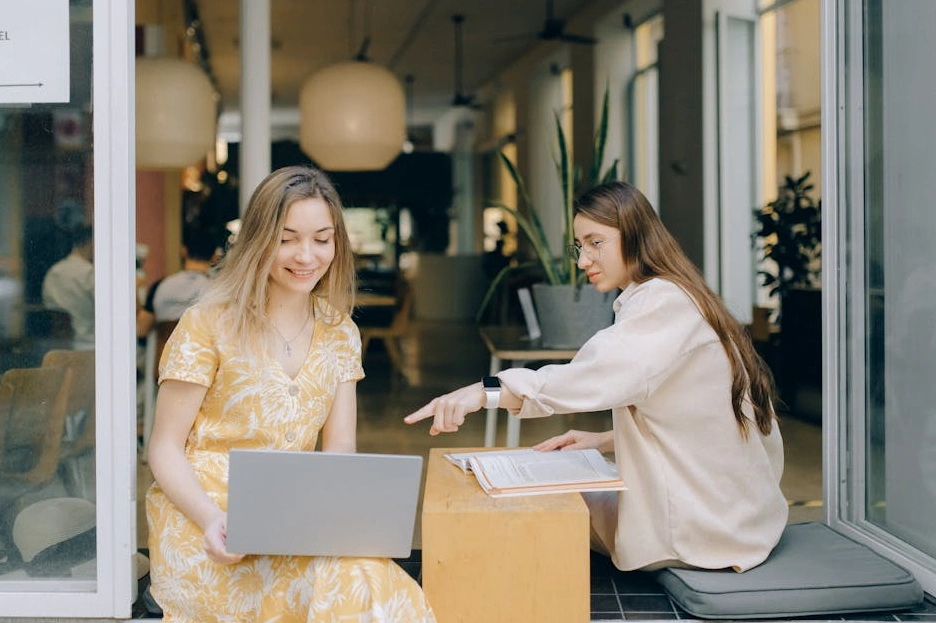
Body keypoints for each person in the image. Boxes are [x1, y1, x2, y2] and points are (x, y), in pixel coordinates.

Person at [405, 181, 788, 573]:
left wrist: (484, 392)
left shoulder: (663, 304)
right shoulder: (678, 294)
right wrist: (605, 439)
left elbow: (589, 377)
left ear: (636, 235)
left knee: (533, 504)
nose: (583, 259)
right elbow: (699, 416)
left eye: (596, 243)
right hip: (741, 515)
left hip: (705, 529)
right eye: (580, 247)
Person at [145, 166, 435, 623]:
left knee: (369, 581)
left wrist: (337, 527)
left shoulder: (341, 330)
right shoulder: (207, 323)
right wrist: (210, 519)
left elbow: (340, 451)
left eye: (322, 239)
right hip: (204, 523)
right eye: (287, 238)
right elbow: (163, 448)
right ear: (260, 239)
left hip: (292, 519)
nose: (307, 255)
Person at [136, 225, 220, 338]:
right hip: (200, 354)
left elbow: (141, 329)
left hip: (165, 354)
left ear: (184, 251)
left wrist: (135, 291)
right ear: (215, 256)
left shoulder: (159, 286)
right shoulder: (218, 290)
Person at [42, 224, 94, 349]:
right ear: (91, 244)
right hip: (88, 345)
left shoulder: (53, 271)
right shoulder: (89, 272)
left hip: (57, 347)